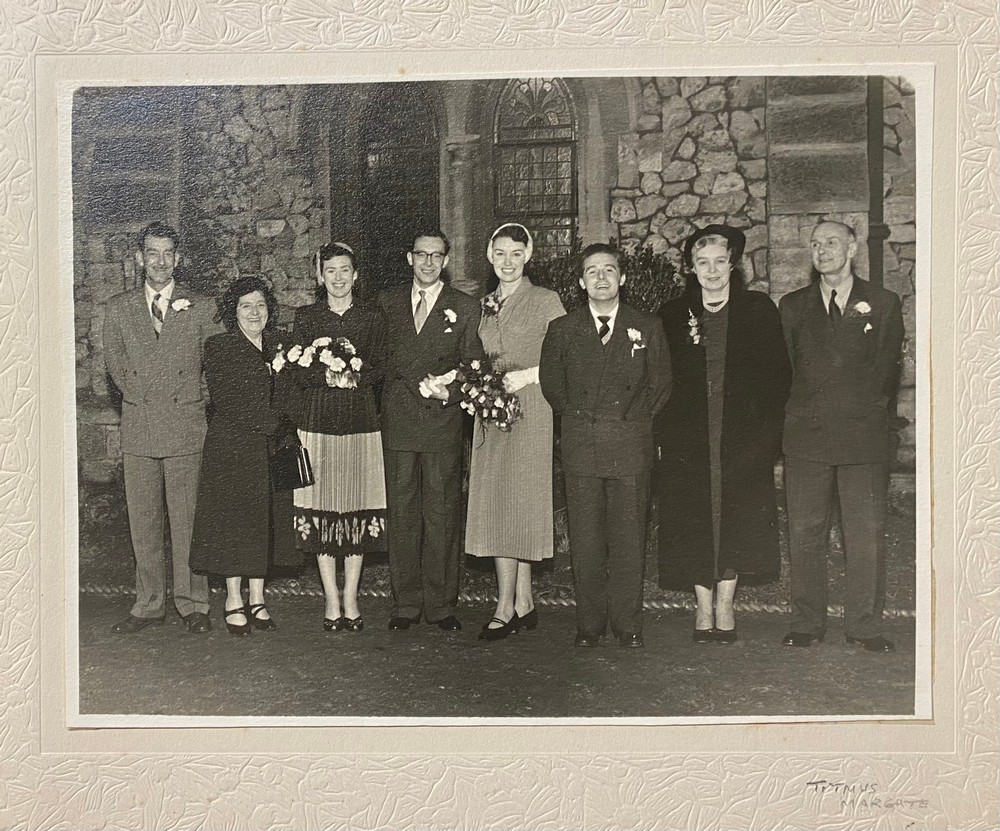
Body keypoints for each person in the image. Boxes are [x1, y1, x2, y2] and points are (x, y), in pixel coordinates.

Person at [655, 224, 791, 644]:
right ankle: (702, 605)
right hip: (689, 439)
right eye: (702, 263)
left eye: (719, 261)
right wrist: (663, 435)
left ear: (733, 265)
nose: (711, 270)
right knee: (693, 516)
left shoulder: (758, 309)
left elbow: (778, 377)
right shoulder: (673, 315)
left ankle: (727, 603)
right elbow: (659, 380)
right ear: (690, 269)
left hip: (742, 438)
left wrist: (766, 438)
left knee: (736, 516)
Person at [779, 220, 904, 652]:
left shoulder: (883, 303)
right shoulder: (793, 306)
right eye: (815, 244)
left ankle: (864, 627)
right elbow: (788, 369)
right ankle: (806, 623)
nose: (822, 250)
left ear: (852, 249)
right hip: (807, 437)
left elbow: (887, 370)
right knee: (805, 533)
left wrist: (865, 416)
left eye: (831, 242)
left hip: (861, 437)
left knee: (864, 534)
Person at [539, 243, 672, 648]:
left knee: (629, 539)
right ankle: (590, 624)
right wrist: (581, 419)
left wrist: (627, 420)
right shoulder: (563, 329)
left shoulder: (646, 326)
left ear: (623, 278)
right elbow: (553, 386)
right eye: (592, 271)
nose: (601, 278)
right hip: (582, 447)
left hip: (630, 447)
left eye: (609, 270)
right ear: (581, 283)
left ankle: (628, 624)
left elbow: (661, 384)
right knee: (586, 540)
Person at [103, 222, 223, 634]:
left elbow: (216, 366)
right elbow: (117, 367)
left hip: (186, 426)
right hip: (140, 426)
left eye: (168, 253)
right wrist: (146, 395)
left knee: (188, 521)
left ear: (179, 258)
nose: (160, 261)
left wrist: (191, 397)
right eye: (152, 253)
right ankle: (148, 603)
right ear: (140, 258)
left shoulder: (202, 306)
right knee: (144, 522)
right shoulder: (118, 308)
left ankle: (193, 603)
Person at [377, 228, 484, 632]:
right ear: (409, 258)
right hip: (400, 421)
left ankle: (441, 603)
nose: (428, 263)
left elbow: (474, 365)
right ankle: (405, 602)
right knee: (402, 512)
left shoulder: (465, 306)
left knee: (441, 512)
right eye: (421, 255)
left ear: (445, 260)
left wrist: (448, 391)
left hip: (442, 421)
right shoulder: (386, 304)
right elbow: (378, 360)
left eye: (436, 256)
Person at [465, 223, 566, 640]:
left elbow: (568, 354)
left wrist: (528, 376)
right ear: (490, 255)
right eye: (500, 253)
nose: (508, 261)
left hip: (531, 407)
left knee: (520, 501)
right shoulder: (483, 304)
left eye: (516, 253)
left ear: (528, 256)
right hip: (490, 412)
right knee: (497, 500)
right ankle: (522, 601)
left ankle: (503, 606)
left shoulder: (546, 300)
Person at [189, 276, 299, 636]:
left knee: (266, 521)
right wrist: (274, 422)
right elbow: (228, 400)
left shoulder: (280, 344)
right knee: (237, 523)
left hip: (272, 447)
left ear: (270, 310)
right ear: (232, 311)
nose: (254, 312)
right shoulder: (219, 347)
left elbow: (291, 390)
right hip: (234, 447)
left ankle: (257, 597)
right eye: (246, 306)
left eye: (261, 305)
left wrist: (285, 421)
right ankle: (233, 599)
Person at [287, 243, 387, 632]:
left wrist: (356, 374)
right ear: (319, 276)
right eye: (330, 271)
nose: (339, 278)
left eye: (345, 270)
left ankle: (352, 596)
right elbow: (297, 368)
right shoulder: (307, 317)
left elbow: (382, 366)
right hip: (319, 421)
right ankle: (331, 597)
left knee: (357, 505)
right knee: (324, 505)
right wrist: (325, 374)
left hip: (361, 421)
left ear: (356, 274)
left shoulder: (371, 317)